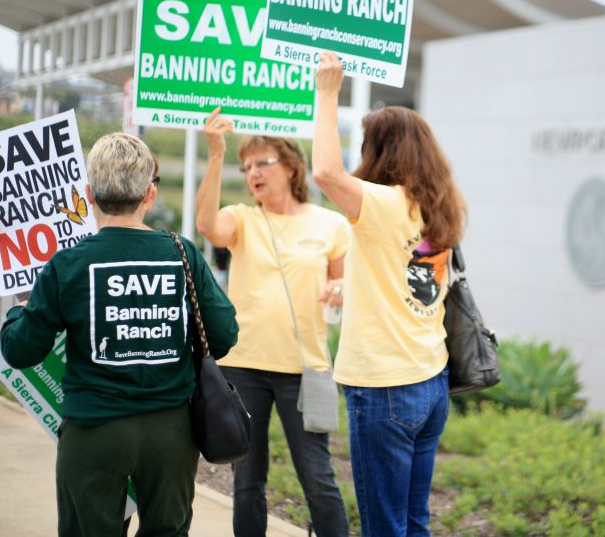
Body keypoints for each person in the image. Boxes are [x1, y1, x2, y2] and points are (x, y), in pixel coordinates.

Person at [0, 132, 238, 537]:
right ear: (149, 196)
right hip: (171, 433)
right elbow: (223, 336)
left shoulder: (67, 263)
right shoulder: (184, 254)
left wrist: (18, 309)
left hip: (94, 432)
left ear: (89, 194)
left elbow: (21, 349)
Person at [311, 52, 467, 537]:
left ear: (380, 150)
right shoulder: (438, 207)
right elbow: (399, 274)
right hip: (430, 380)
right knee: (413, 522)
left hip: (385, 388)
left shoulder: (381, 203)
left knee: (384, 527)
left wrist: (327, 93)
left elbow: (325, 174)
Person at [196, 108, 349, 537]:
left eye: (262, 163)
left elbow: (341, 283)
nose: (253, 174)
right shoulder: (242, 218)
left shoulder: (331, 224)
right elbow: (207, 225)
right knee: (247, 482)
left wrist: (340, 289)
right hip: (244, 368)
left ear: (292, 165)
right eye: (246, 167)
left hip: (306, 370)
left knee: (318, 480)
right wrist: (215, 154)